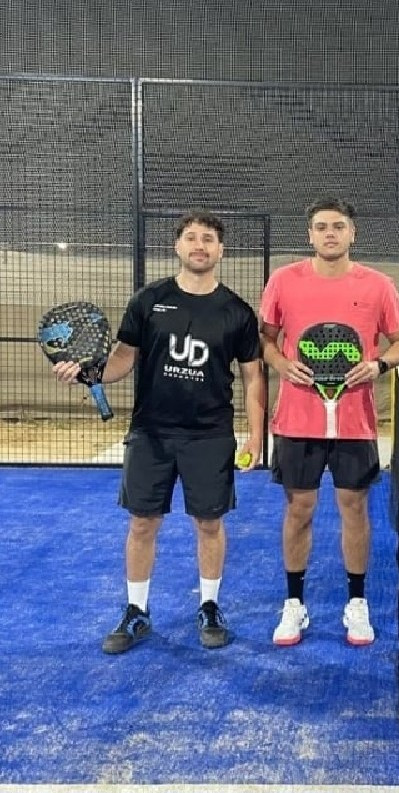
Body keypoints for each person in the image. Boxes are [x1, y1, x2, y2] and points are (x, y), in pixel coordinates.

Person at [53, 211, 265, 653]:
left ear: (221, 250)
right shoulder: (148, 301)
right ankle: (136, 611)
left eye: (208, 238)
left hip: (210, 434)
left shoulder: (238, 312)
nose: (200, 245)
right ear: (177, 246)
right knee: (142, 522)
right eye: (191, 237)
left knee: (209, 522)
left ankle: (209, 606)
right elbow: (123, 358)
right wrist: (89, 373)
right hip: (150, 433)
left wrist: (256, 434)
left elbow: (252, 377)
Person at [259, 198, 399, 647]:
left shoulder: (379, 285)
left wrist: (379, 365)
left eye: (338, 226)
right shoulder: (283, 280)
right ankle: (294, 603)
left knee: (354, 508)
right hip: (296, 421)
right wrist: (282, 364)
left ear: (352, 233)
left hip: (355, 423)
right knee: (299, 509)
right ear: (310, 234)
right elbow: (265, 340)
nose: (330, 233)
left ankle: (357, 603)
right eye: (322, 226)